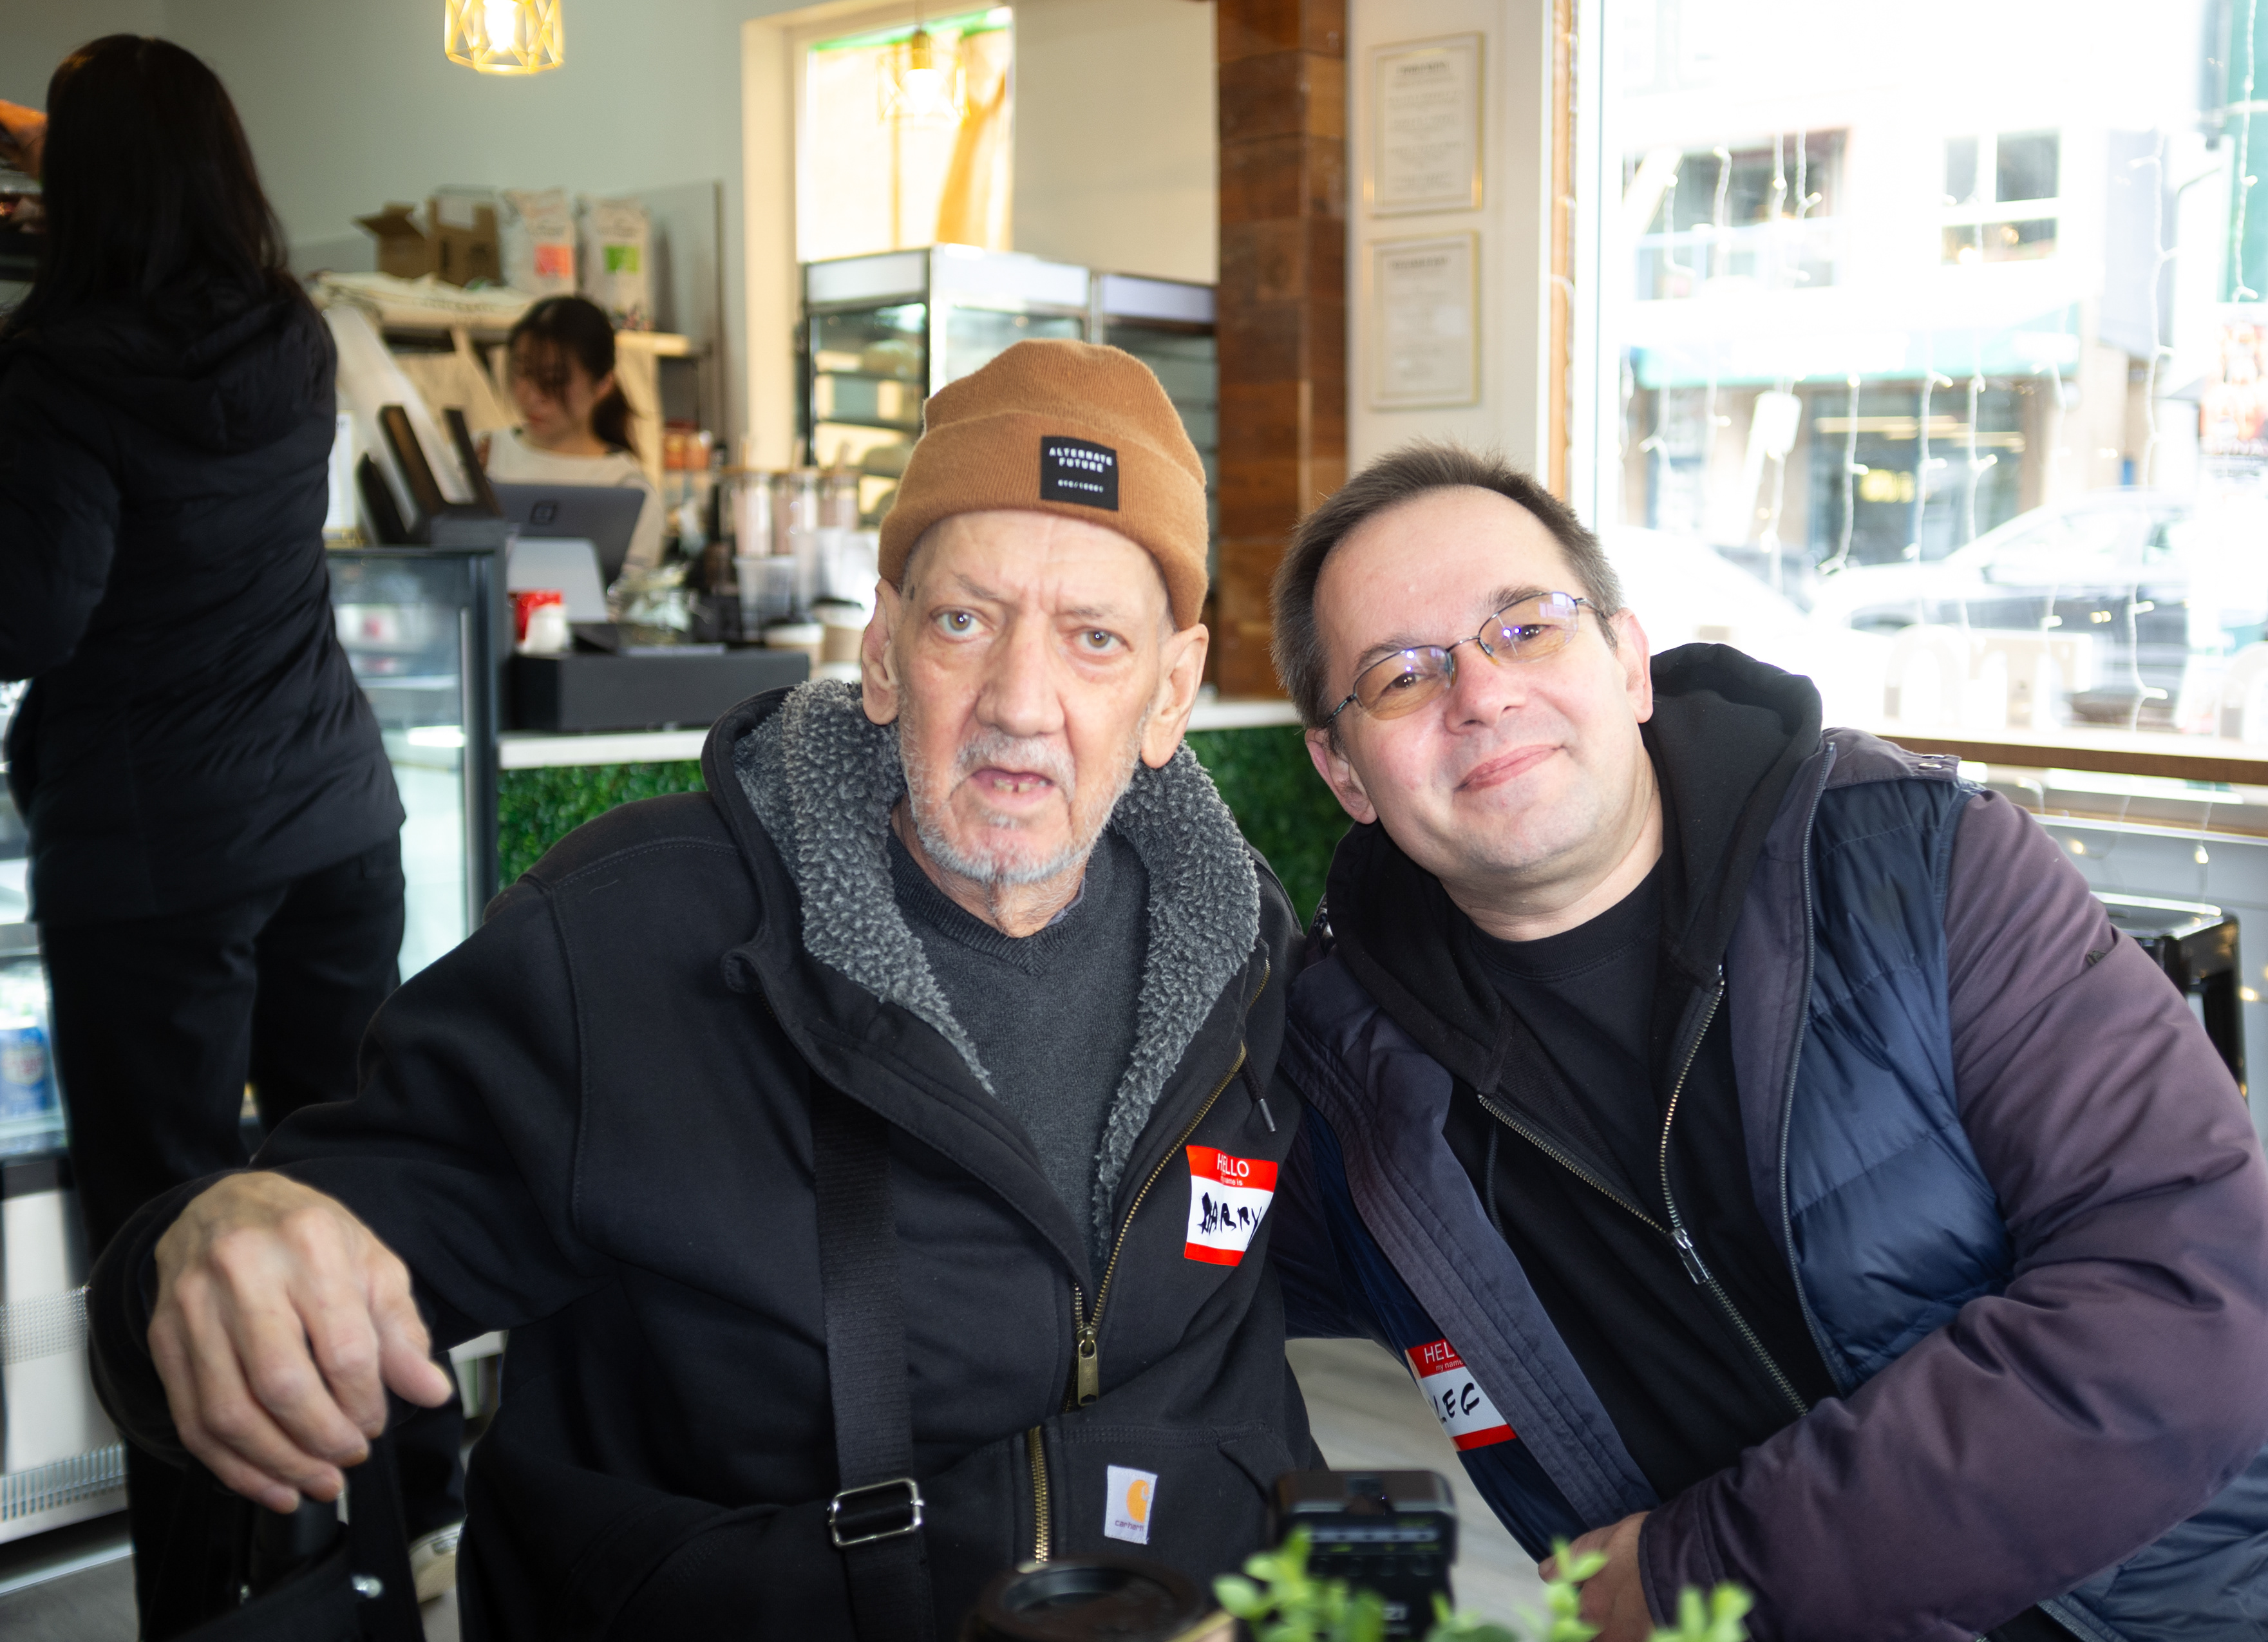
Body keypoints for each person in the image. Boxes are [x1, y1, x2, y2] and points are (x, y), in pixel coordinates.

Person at [88, 339, 1315, 1639]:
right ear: (885, 649)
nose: (1021, 702)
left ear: (1170, 691)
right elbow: (284, 1264)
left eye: (1094, 640)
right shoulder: (627, 945)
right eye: (967, 620)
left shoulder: (1243, 964)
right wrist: (207, 1248)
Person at [1265, 442, 2268, 1641]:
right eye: (1400, 675)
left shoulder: (1924, 863)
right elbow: (1167, 1278)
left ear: (1628, 662)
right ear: (1343, 771)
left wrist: (1707, 1572)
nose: (1481, 693)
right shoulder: (1344, 1075)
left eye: (1527, 626)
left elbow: (2184, 1314)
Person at [0, 34, 469, 1621]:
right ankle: (410, 1521)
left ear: (81, 191)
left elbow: (33, 613)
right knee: (355, 1174)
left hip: (157, 859)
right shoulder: (288, 332)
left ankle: (216, 1598)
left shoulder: (58, 374)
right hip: (331, 819)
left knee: (174, 1240)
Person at [478, 293, 665, 575]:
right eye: (523, 373)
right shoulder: (479, 454)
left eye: (554, 380)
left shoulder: (626, 488)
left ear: (603, 384)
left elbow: (627, 592)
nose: (534, 396)